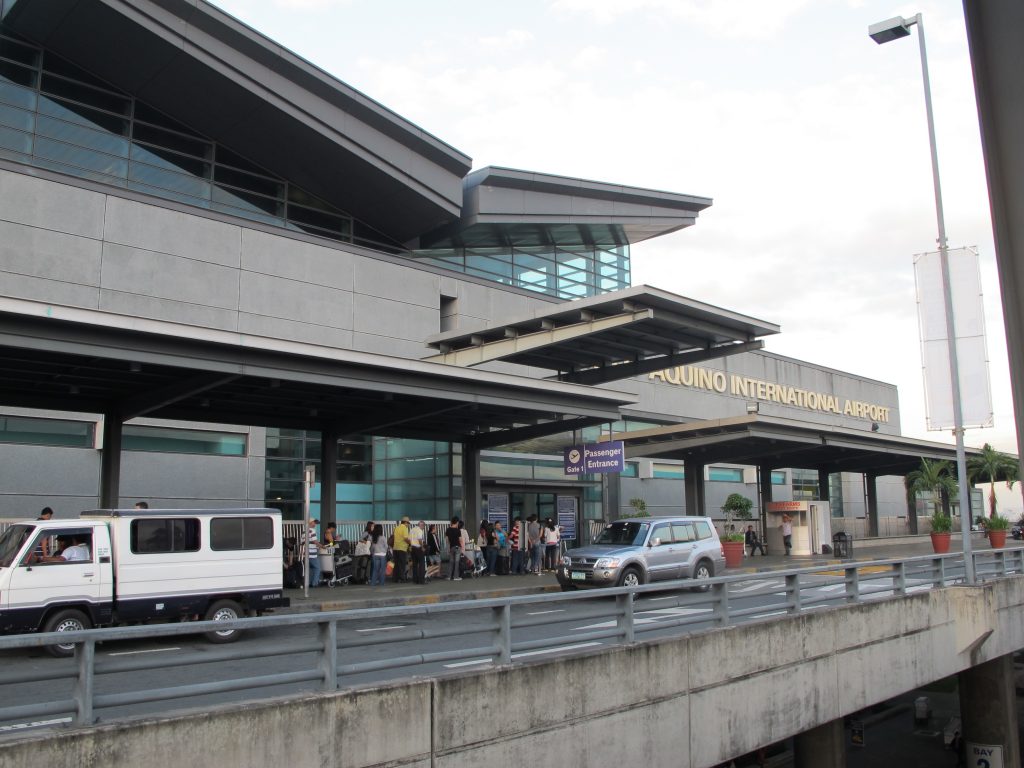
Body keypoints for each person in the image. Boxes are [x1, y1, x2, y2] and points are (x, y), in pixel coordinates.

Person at [392, 516, 411, 583]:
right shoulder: (404, 528)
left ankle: (395, 579)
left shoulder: (397, 528)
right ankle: (402, 578)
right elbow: (406, 538)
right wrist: (410, 543)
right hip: (402, 549)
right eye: (408, 523)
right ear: (405, 522)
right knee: (402, 564)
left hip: (395, 548)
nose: (408, 524)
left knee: (396, 564)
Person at [304, 518, 321, 587]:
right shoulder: (312, 530)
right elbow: (315, 541)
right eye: (314, 523)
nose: (315, 525)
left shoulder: (304, 530)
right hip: (311, 554)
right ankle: (314, 583)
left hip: (305, 553)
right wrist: (322, 546)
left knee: (310, 569)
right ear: (310, 522)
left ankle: (310, 583)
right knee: (317, 568)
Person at [409, 520, 426, 584]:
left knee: (415, 565)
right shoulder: (419, 530)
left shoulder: (412, 529)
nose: (423, 528)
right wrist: (422, 547)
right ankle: (421, 580)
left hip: (413, 548)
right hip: (418, 548)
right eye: (423, 526)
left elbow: (409, 539)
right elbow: (419, 539)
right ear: (421, 525)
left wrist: (411, 545)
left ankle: (415, 580)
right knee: (421, 564)